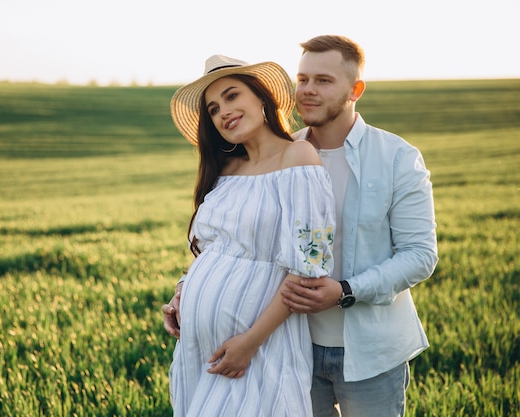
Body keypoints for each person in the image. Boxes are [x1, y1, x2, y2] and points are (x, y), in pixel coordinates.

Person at [164, 35, 439, 417]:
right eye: (303, 79)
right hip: (294, 342)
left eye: (323, 80)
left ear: (355, 89)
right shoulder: (272, 155)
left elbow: (420, 256)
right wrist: (186, 289)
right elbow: (232, 244)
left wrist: (345, 290)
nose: (308, 90)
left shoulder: (394, 157)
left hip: (368, 348)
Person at [166, 54, 336, 417]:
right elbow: (213, 251)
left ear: (262, 99)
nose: (222, 112)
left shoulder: (299, 156)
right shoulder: (226, 170)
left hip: (259, 346)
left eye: (231, 96)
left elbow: (309, 265)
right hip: (201, 348)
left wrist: (250, 342)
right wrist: (184, 293)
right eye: (212, 109)